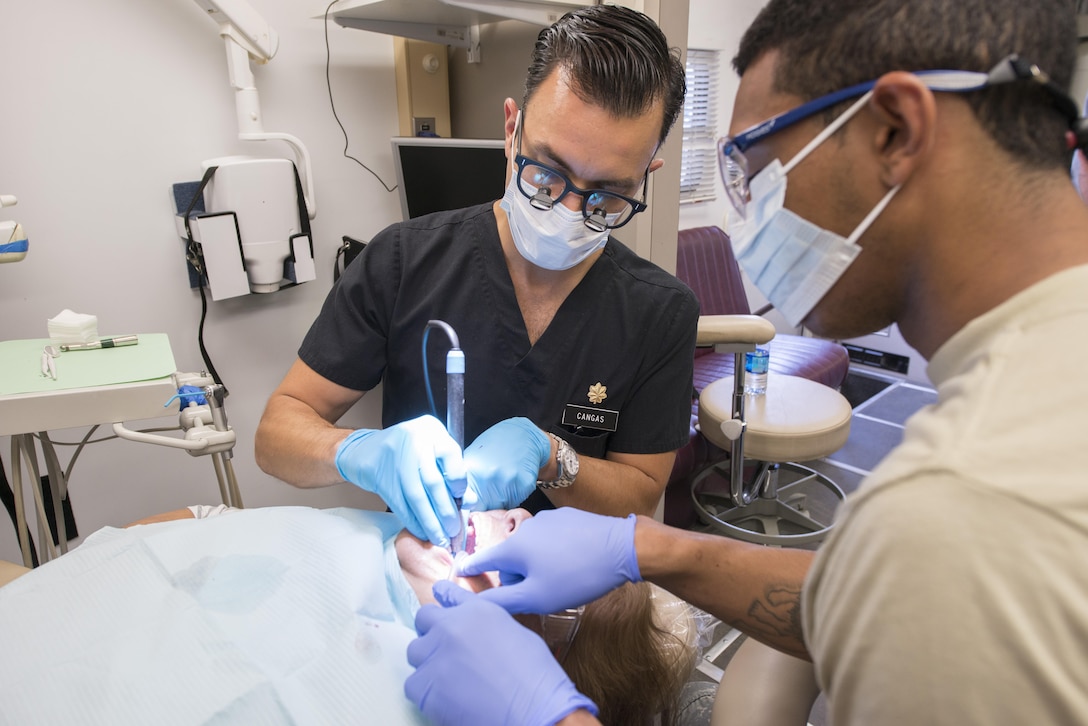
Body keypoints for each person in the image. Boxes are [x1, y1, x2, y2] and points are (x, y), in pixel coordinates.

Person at [402, 0, 1088, 724]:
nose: (750, 210)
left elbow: (921, 574)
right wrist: (652, 550)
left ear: (896, 131)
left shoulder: (965, 505)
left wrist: (543, 715)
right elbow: (877, 600)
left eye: (756, 167)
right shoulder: (1039, 392)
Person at [254, 4, 697, 549]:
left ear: (644, 176)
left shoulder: (659, 312)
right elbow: (278, 434)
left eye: (607, 194)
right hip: (430, 575)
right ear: (512, 128)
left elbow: (641, 495)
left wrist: (555, 460)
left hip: (574, 595)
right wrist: (359, 451)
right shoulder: (402, 262)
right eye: (547, 172)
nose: (566, 209)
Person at [0, 504, 701, 725]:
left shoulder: (447, 697)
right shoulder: (369, 525)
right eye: (537, 518)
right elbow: (195, 520)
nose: (518, 516)